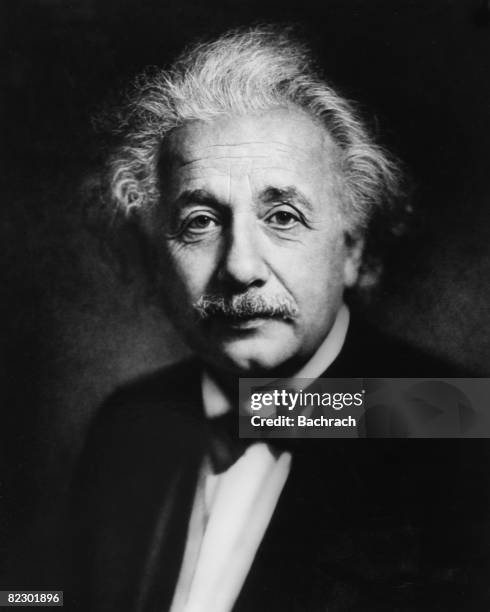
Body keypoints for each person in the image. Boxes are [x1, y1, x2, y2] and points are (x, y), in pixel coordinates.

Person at [64, 26, 485, 611]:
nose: (239, 268)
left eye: (283, 216)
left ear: (352, 248)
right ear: (155, 254)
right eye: (200, 221)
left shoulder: (457, 421)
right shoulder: (130, 423)